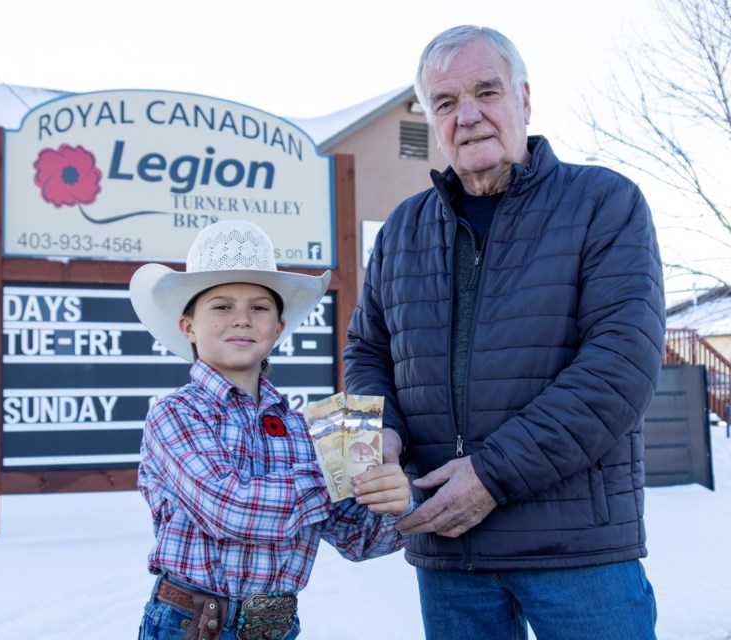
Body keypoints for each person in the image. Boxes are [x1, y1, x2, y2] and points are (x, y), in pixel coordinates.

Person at [343, 25, 666, 640]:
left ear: (524, 97)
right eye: (444, 102)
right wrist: (378, 429)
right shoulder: (401, 232)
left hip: (576, 554)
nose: (467, 116)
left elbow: (619, 367)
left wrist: (492, 475)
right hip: (449, 553)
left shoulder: (604, 204)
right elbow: (368, 351)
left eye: (485, 91)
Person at [129, 220, 412, 640]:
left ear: (278, 329)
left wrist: (391, 504)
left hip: (275, 627)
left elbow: (358, 540)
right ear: (188, 327)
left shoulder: (303, 428)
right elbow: (231, 509)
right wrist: (337, 472)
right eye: (221, 306)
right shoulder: (176, 414)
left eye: (259, 308)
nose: (241, 320)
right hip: (192, 625)